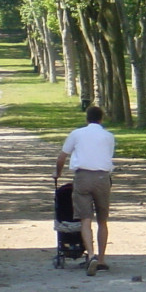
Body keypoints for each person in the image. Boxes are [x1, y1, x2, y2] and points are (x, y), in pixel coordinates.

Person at [54, 105, 115, 276]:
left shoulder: (77, 134)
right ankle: (102, 259)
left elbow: (62, 157)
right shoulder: (108, 136)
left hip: (82, 177)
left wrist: (57, 173)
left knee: (85, 219)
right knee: (102, 221)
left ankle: (91, 255)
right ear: (101, 119)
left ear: (86, 118)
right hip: (103, 178)